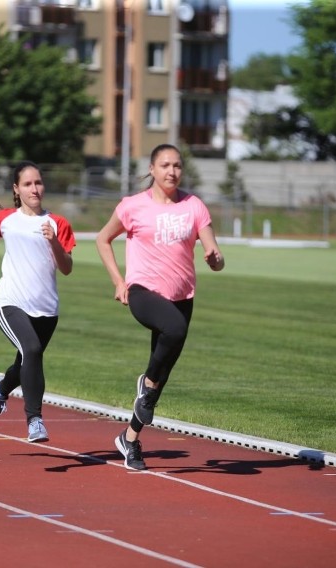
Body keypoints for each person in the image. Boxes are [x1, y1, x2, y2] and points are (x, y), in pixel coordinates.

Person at [95, 143, 225, 470]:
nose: (172, 171)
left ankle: (130, 440)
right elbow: (102, 239)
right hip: (143, 291)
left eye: (177, 166)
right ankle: (145, 386)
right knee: (174, 331)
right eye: (165, 165)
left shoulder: (194, 206)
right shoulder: (132, 207)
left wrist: (215, 258)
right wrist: (119, 281)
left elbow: (215, 255)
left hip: (182, 297)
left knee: (161, 376)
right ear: (152, 169)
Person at [0, 161, 75, 443]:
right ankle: (35, 421)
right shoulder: (5, 219)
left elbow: (67, 268)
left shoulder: (58, 223)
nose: (35, 188)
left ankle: (1, 390)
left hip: (46, 309)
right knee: (32, 350)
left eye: (39, 183)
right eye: (28, 184)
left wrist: (54, 241)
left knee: (25, 362)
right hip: (11, 301)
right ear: (16, 189)